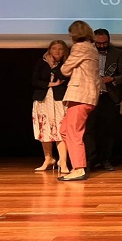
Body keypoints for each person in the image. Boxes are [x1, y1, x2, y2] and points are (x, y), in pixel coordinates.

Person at [58, 20, 100, 181]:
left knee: (73, 132)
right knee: (64, 130)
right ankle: (76, 165)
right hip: (87, 95)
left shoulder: (80, 47)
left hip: (80, 95)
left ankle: (79, 168)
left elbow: (65, 69)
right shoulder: (92, 47)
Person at [84, 28, 122, 171]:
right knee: (89, 129)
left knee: (108, 130)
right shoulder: (88, 53)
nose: (102, 46)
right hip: (90, 95)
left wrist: (113, 79)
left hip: (109, 96)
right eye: (99, 43)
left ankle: (106, 159)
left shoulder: (117, 53)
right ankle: (91, 159)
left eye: (105, 43)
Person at [31, 40, 70, 173]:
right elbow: (34, 80)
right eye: (54, 48)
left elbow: (63, 77)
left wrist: (52, 66)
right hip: (43, 100)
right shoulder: (41, 62)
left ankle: (63, 161)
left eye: (60, 49)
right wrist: (51, 84)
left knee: (60, 129)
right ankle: (48, 158)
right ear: (49, 50)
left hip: (59, 100)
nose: (57, 51)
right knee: (45, 128)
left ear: (64, 51)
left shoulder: (67, 64)